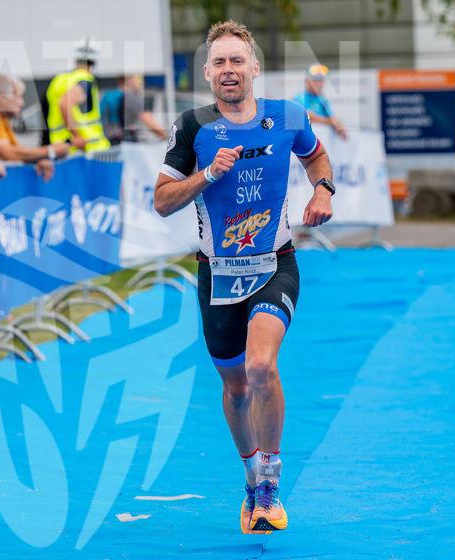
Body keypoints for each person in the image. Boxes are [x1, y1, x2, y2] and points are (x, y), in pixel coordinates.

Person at [154, 19, 334, 534]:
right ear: (207, 74)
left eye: (237, 60)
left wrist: (323, 190)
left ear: (254, 67)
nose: (229, 69)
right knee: (235, 387)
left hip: (274, 264)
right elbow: (162, 201)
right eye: (219, 62)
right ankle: (252, 477)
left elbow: (316, 154)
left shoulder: (288, 116)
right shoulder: (193, 127)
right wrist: (209, 173)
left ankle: (271, 483)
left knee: (260, 367)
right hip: (217, 275)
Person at [0, 74, 70, 182]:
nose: (22, 103)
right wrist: (49, 151)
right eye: (19, 97)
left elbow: (16, 151)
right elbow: (9, 153)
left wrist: (37, 159)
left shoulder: (0, 116)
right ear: (2, 97)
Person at [45, 37, 111, 153]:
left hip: (62, 149)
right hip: (88, 151)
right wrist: (77, 137)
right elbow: (64, 103)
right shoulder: (85, 79)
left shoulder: (59, 80)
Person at [100, 74, 168, 144]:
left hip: (110, 142)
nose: (140, 82)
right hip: (127, 142)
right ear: (129, 80)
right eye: (138, 78)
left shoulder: (108, 96)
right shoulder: (131, 96)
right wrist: (166, 137)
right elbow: (149, 122)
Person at [293, 64, 347, 140]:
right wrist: (332, 122)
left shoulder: (322, 100)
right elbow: (310, 117)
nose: (320, 83)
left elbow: (331, 117)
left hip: (322, 142)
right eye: (316, 80)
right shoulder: (299, 98)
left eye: (321, 80)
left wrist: (338, 125)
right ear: (307, 81)